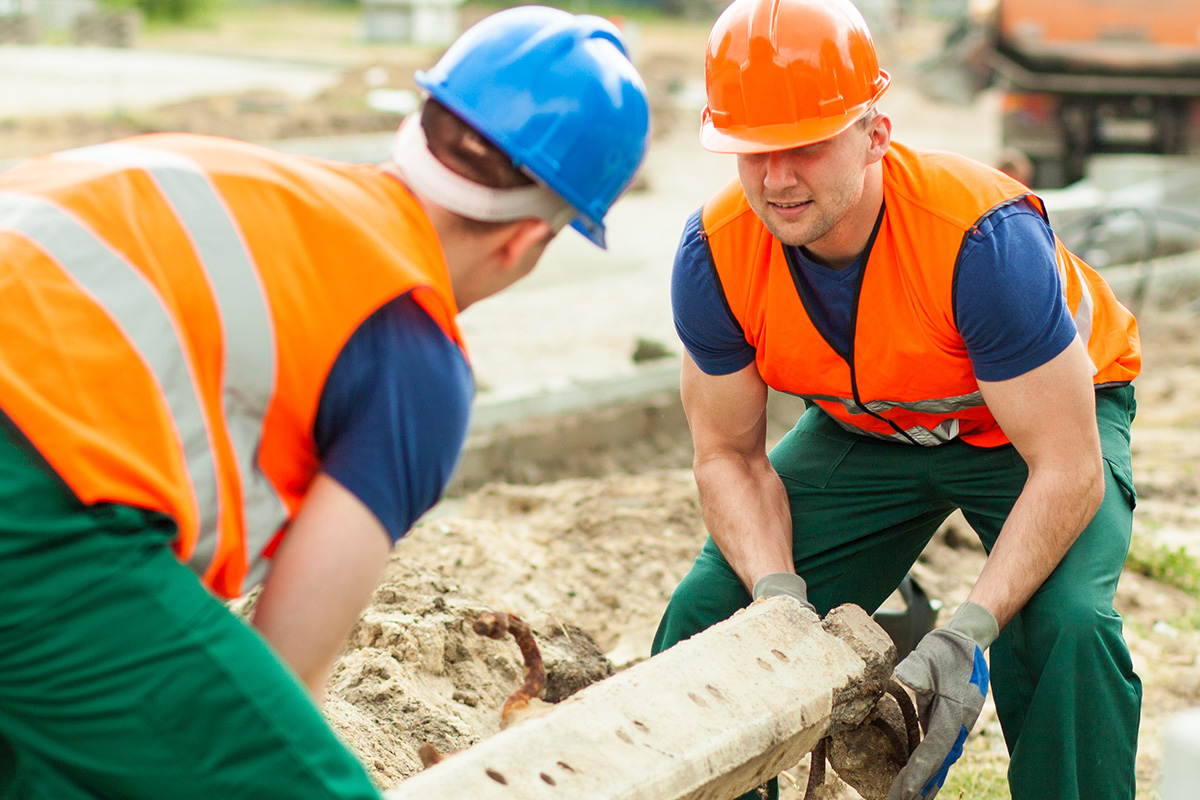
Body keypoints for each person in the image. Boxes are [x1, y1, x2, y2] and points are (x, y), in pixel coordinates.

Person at [0, 6, 649, 799]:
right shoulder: (415, 348)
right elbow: (281, 668)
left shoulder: (270, 192)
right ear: (525, 243)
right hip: (30, 508)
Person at [651, 1, 1141, 799]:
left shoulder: (979, 240)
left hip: (1032, 434)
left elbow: (1068, 464)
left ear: (875, 134)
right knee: (711, 615)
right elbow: (727, 456)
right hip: (871, 427)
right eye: (752, 150)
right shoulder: (716, 253)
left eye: (805, 146)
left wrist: (968, 633)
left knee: (1066, 630)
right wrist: (777, 600)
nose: (776, 179)